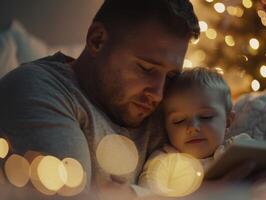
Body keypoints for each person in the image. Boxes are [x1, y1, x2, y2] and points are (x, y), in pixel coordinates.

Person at [0, 0, 201, 199]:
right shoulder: (37, 89)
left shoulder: (171, 104)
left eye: (171, 76)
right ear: (97, 40)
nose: (157, 94)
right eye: (146, 69)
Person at [138, 67, 253, 197]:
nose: (193, 127)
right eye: (179, 121)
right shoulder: (163, 162)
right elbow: (146, 196)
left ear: (228, 121)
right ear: (165, 127)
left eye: (206, 117)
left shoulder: (239, 149)